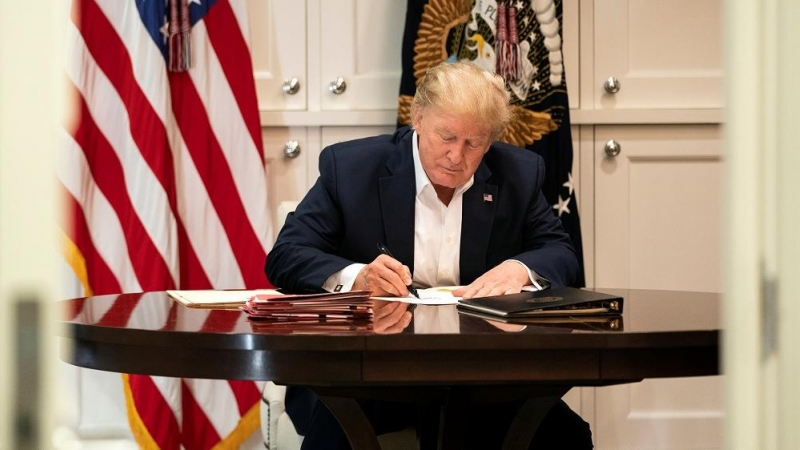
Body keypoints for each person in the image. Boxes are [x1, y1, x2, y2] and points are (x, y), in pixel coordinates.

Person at [265, 61, 592, 449]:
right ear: (418, 119)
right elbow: (286, 255)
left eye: (474, 143)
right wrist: (357, 276)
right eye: (446, 136)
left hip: (483, 374)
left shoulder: (519, 174)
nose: (457, 155)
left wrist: (521, 269)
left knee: (567, 436)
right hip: (368, 371)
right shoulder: (351, 168)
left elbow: (561, 253)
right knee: (333, 437)